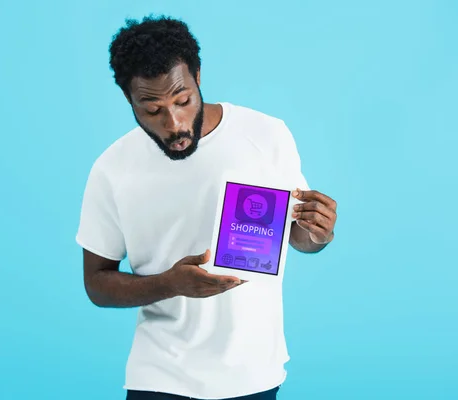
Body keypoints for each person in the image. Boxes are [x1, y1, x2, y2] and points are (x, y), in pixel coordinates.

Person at [75, 15, 338, 400]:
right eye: (152, 110)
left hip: (253, 373)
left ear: (197, 76)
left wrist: (319, 233)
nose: (175, 123)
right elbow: (97, 284)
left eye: (183, 100)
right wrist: (169, 284)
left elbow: (298, 237)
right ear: (128, 98)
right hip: (160, 376)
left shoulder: (266, 135)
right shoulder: (111, 169)